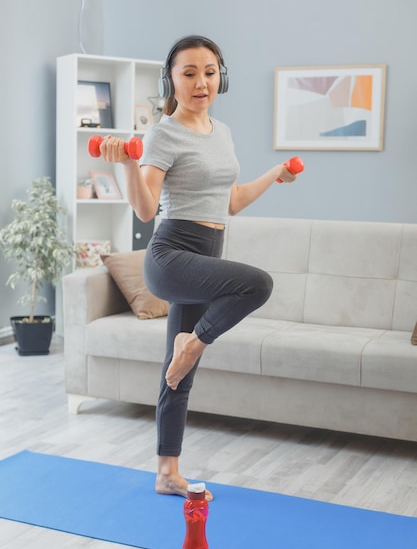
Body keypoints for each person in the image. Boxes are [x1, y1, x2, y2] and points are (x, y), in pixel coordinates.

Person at [98, 35, 298, 501]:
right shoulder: (163, 133)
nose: (200, 82)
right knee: (257, 284)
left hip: (207, 255)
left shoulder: (221, 132)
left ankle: (167, 472)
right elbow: (147, 210)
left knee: (177, 374)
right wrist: (128, 165)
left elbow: (229, 202)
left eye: (209, 71)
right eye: (188, 73)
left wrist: (273, 175)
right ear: (172, 79)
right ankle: (194, 342)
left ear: (220, 77)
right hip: (171, 256)